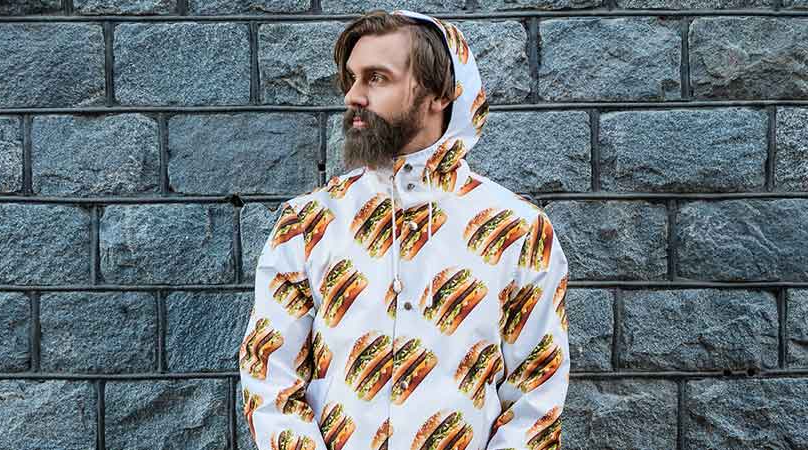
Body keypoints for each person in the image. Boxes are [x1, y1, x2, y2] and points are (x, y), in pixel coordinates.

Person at [238, 9, 570, 450]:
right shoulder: (309, 223)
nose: (353, 95)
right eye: (352, 78)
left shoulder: (517, 231)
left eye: (376, 78)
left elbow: (536, 393)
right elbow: (268, 375)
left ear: (440, 94)